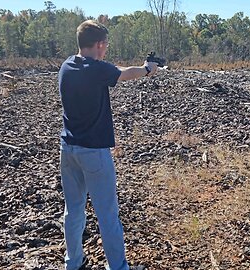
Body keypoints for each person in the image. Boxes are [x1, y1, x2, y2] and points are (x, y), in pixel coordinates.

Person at [58, 20, 157, 270]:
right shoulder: (96, 70)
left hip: (68, 150)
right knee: (108, 216)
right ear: (100, 44)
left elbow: (112, 70)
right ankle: (118, 267)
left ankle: (73, 264)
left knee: (74, 212)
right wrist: (147, 69)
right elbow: (124, 74)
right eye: (106, 45)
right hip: (93, 153)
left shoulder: (68, 65)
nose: (106, 50)